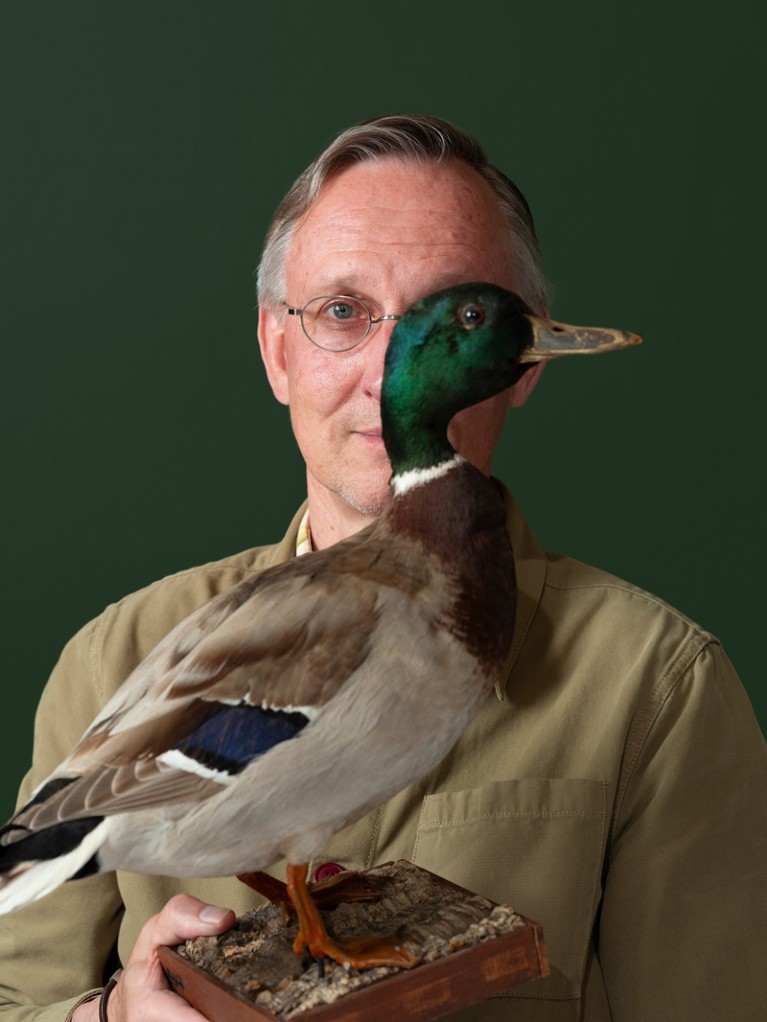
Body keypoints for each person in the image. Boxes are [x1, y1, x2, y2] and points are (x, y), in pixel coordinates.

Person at [1, 114, 765, 1022]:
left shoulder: (654, 684)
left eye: (446, 315)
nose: (384, 368)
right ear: (275, 349)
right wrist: (112, 1021)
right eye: (340, 312)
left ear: (520, 365)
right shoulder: (111, 655)